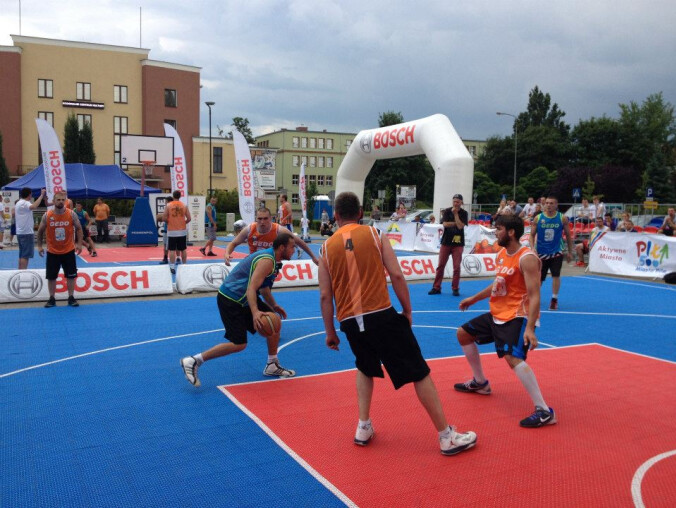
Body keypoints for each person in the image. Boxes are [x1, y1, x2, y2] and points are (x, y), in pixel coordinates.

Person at [318, 191, 477, 455]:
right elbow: (396, 275)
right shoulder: (374, 235)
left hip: (349, 321)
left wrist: (330, 332)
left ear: (335, 216)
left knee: (365, 366)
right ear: (360, 213)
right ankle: (446, 436)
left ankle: (363, 425)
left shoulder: (325, 248)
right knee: (419, 371)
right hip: (381, 315)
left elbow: (325, 295)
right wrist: (407, 310)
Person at [454, 214, 556, 428]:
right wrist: (474, 298)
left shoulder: (526, 258)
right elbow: (498, 284)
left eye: (498, 228)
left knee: (512, 358)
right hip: (498, 313)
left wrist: (530, 328)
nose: (495, 232)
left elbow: (535, 295)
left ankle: (544, 410)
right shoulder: (501, 254)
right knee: (463, 334)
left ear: (511, 232)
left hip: (517, 315)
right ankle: (480, 383)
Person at [180, 234, 298, 386]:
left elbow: (264, 287)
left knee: (273, 322)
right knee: (239, 343)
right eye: (292, 247)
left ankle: (272, 364)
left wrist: (273, 305)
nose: (294, 250)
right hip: (231, 299)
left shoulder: (273, 259)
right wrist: (255, 312)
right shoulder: (267, 261)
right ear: (282, 248)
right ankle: (194, 361)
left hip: (244, 298)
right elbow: (251, 288)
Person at [224, 207, 318, 266]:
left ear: (270, 219)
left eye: (265, 219)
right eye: (260, 219)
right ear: (256, 219)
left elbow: (299, 242)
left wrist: (313, 257)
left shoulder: (278, 230)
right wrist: (227, 253)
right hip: (254, 262)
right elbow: (233, 243)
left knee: (260, 288)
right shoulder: (249, 229)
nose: (262, 222)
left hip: (270, 265)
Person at [36, 191, 83, 307]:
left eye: (63, 200)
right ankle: (52, 298)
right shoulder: (47, 215)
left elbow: (79, 229)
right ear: (54, 201)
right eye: (58, 200)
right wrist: (39, 246)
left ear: (65, 201)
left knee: (71, 275)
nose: (61, 202)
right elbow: (40, 231)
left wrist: (79, 243)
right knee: (51, 276)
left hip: (68, 250)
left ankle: (71, 297)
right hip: (52, 251)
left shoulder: (71, 214)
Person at [529, 195, 573, 310]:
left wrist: (569, 251)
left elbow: (568, 235)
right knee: (539, 278)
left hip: (556, 252)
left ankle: (554, 299)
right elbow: (531, 235)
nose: (549, 205)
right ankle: (535, 298)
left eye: (551, 203)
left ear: (556, 205)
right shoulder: (538, 218)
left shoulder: (562, 218)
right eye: (547, 203)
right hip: (541, 252)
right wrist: (532, 248)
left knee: (556, 275)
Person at [429, 194, 468, 297]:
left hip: (458, 243)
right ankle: (436, 287)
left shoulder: (464, 213)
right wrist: (456, 222)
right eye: (454, 201)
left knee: (456, 267)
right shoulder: (446, 211)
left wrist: (455, 215)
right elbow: (445, 224)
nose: (456, 203)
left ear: (461, 203)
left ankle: (455, 288)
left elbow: (460, 227)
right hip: (446, 242)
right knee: (440, 266)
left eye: (458, 202)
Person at [16, 187, 46, 269]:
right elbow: (34, 206)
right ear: (29, 195)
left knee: (22, 254)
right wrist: (41, 195)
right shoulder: (25, 203)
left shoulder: (19, 203)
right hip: (26, 232)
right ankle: (23, 272)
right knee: (25, 255)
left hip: (21, 232)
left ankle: (20, 271)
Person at [162, 190, 192, 274]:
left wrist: (169, 222)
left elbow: (164, 218)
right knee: (183, 249)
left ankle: (172, 267)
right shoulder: (184, 205)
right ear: (180, 196)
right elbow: (189, 218)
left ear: (173, 196)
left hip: (172, 230)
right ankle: (185, 265)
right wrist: (183, 222)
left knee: (172, 249)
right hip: (182, 230)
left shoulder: (168, 205)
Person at [159, 196, 173, 265]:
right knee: (165, 245)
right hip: (167, 229)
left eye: (166, 202)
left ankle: (168, 259)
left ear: (169, 202)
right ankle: (166, 258)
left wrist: (162, 217)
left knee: (169, 246)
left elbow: (165, 218)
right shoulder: (168, 208)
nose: (165, 203)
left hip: (169, 229)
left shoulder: (170, 208)